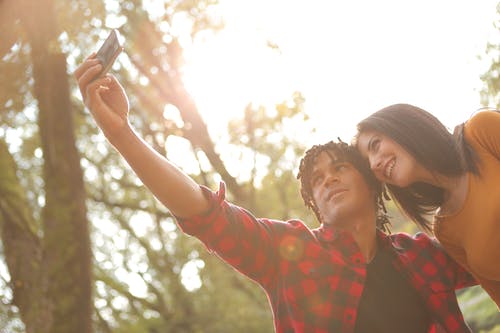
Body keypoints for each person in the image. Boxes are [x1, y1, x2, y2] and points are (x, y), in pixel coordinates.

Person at [74, 56, 476, 332]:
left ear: (372, 183)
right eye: (317, 180)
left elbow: (487, 247)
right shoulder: (287, 252)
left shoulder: (424, 255)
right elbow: (204, 213)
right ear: (314, 204)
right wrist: (122, 134)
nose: (329, 180)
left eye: (340, 168)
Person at [355, 103, 500, 308]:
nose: (374, 164)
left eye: (375, 145)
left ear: (401, 125)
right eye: (369, 162)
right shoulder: (445, 229)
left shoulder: (480, 131)